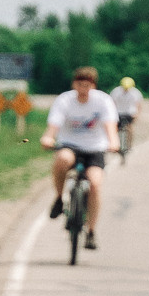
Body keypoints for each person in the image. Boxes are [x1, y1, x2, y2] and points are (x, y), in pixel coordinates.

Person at [42, 67, 119, 250]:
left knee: (95, 183)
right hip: (70, 144)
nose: (83, 89)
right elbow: (54, 124)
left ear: (93, 86)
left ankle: (91, 232)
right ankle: (59, 198)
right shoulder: (65, 100)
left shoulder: (103, 101)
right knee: (62, 159)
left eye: (87, 85)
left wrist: (114, 142)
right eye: (80, 84)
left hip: (95, 148)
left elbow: (110, 125)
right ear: (74, 84)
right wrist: (48, 137)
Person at [112, 77, 143, 164]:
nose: (126, 90)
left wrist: (137, 114)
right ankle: (116, 144)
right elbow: (112, 102)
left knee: (129, 128)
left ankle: (129, 145)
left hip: (130, 113)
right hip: (118, 112)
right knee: (115, 129)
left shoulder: (136, 93)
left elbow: (138, 104)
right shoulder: (116, 91)